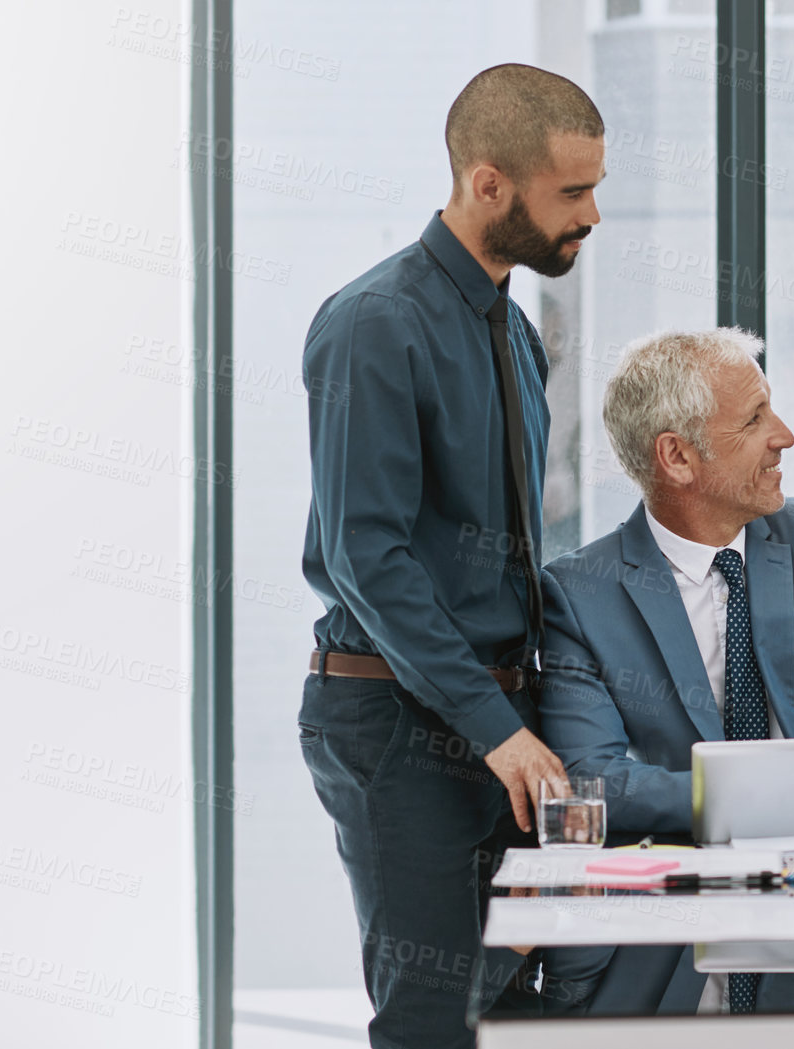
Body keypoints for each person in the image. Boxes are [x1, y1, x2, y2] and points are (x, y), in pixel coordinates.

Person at [295, 64, 604, 1049]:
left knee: (516, 1011)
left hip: (503, 720)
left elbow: (515, 553)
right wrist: (492, 723)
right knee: (431, 1019)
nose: (590, 214)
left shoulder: (513, 330)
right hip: (396, 720)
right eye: (571, 192)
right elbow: (366, 556)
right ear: (487, 184)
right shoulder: (375, 323)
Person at [536, 327, 794, 1015]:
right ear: (678, 457)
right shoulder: (581, 591)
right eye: (754, 419)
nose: (784, 434)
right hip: (674, 940)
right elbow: (590, 779)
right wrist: (773, 796)